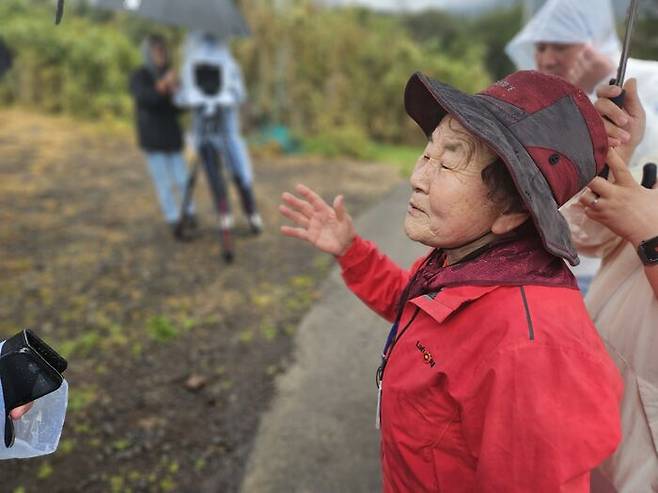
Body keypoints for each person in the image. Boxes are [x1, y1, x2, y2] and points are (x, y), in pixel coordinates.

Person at [280, 69, 622, 491]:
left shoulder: (530, 350)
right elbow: (412, 305)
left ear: (513, 209)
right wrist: (351, 251)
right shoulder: (466, 263)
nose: (417, 178)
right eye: (428, 153)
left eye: (448, 162)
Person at [506, 0, 658, 292]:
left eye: (560, 46)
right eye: (540, 47)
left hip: (609, 275)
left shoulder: (647, 79)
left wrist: (604, 83)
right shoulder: (538, 103)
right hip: (544, 267)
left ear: (594, 43)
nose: (547, 59)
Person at [177, 32, 263, 234]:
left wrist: (224, 99)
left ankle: (252, 214)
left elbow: (239, 94)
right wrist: (195, 99)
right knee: (214, 174)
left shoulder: (230, 65)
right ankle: (225, 215)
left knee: (239, 173)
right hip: (204, 132)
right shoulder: (189, 64)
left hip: (227, 132)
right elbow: (182, 96)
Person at [129, 34, 196, 240]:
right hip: (152, 137)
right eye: (155, 50)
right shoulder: (140, 75)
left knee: (183, 178)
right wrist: (163, 86)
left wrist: (178, 92)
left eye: (162, 50)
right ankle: (173, 218)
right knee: (163, 181)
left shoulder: (171, 74)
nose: (160, 54)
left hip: (172, 136)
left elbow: (179, 108)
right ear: (148, 53)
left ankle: (189, 212)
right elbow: (145, 98)